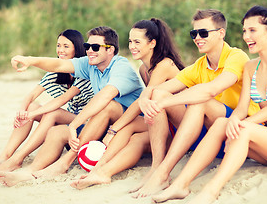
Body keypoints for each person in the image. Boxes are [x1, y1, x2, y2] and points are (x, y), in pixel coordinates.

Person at [152, 5, 267, 204]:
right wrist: (232, 122)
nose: (246, 36)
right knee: (222, 122)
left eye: (253, 30)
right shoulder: (250, 66)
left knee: (242, 128)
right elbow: (241, 109)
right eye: (244, 30)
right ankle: (180, 185)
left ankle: (210, 192)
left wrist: (239, 125)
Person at [132, 9, 260, 198]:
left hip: (237, 131)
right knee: (158, 94)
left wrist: (163, 103)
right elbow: (159, 90)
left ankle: (163, 173)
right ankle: (158, 168)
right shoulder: (200, 65)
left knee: (200, 101)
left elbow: (211, 90)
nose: (197, 38)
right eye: (194, 33)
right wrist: (146, 99)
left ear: (221, 33)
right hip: (209, 136)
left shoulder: (236, 56)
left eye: (203, 33)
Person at [0, 26, 144, 187]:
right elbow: (59, 65)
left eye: (95, 47)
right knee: (56, 131)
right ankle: (31, 171)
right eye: (87, 46)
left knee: (108, 106)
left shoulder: (121, 67)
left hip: (134, 123)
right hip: (104, 125)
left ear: (111, 50)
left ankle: (64, 163)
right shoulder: (91, 65)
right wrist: (30, 60)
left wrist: (74, 124)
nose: (89, 51)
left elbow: (105, 96)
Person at [70, 18, 185, 190]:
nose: (132, 46)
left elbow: (143, 100)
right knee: (133, 134)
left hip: (183, 126)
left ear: (152, 43)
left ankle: (156, 170)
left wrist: (112, 129)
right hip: (163, 122)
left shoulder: (164, 65)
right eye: (130, 41)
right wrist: (115, 129)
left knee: (146, 106)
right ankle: (101, 169)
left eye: (137, 42)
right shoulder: (143, 69)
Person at [0, 29, 93, 173]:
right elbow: (31, 95)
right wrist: (22, 111)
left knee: (52, 113)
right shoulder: (56, 71)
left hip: (86, 123)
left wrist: (31, 116)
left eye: (66, 46)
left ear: (76, 48)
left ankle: (17, 159)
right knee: (32, 106)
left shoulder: (85, 71)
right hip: (69, 120)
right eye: (58, 45)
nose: (60, 50)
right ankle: (5, 155)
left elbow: (61, 100)